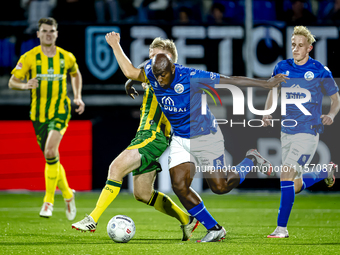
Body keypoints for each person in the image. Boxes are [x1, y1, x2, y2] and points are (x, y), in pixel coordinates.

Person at [104, 31, 289, 242]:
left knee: (220, 187)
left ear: (173, 67)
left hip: (205, 136)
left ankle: (251, 159)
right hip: (180, 138)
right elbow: (131, 72)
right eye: (156, 76)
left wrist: (265, 84)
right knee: (179, 186)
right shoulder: (152, 72)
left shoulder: (192, 76)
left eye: (163, 75)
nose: (160, 80)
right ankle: (215, 228)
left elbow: (231, 81)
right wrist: (124, 66)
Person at [72, 37, 199, 241]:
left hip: (154, 136)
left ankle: (92, 219)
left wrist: (115, 46)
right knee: (143, 194)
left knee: (115, 168)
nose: (152, 63)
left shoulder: (171, 77)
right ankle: (186, 218)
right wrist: (132, 81)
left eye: (157, 59)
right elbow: (139, 70)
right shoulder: (157, 73)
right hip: (147, 135)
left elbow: (131, 70)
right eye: (150, 57)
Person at [262, 26, 339, 238]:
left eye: (300, 46)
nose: (295, 49)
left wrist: (331, 114)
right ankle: (324, 171)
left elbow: (336, 99)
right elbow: (273, 91)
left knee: (285, 174)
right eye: (293, 45)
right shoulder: (282, 67)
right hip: (286, 132)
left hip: (308, 132)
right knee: (292, 184)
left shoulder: (320, 70)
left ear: (309, 48)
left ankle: (281, 229)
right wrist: (267, 112)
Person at [8, 17, 84, 220]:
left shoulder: (66, 57)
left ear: (56, 33)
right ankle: (68, 194)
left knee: (51, 150)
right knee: (51, 158)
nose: (48, 34)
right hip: (38, 115)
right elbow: (12, 81)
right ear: (38, 34)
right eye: (44, 31)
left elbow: (75, 74)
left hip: (60, 110)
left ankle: (48, 201)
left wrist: (77, 96)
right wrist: (25, 85)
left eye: (51, 31)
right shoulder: (30, 57)